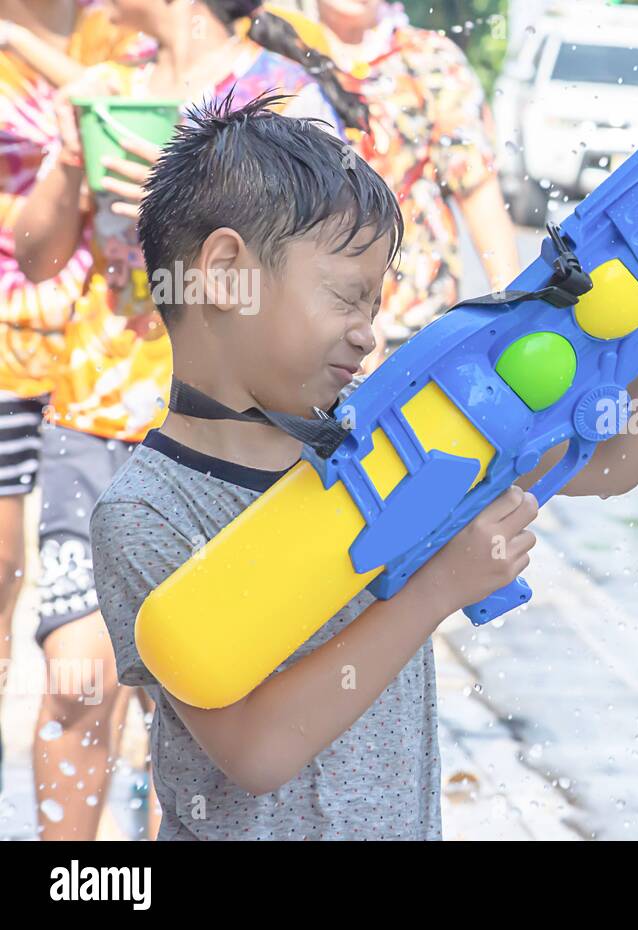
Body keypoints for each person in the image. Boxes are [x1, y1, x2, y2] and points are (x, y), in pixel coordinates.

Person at [89, 93, 638, 840]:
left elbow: (612, 462)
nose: (367, 335)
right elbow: (257, 752)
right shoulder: (149, 511)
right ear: (226, 272)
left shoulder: (380, 437)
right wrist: (437, 590)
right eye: (346, 299)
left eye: (376, 304)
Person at [12, 0, 362, 839]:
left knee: (206, 684)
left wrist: (190, 219)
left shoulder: (282, 99)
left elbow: (325, 267)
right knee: (75, 679)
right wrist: (67, 163)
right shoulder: (108, 84)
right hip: (94, 415)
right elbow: (33, 256)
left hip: (228, 431)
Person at [0, 0, 145, 804]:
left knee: (99, 616)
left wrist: (22, 41)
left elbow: (111, 98)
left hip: (93, 348)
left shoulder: (119, 33)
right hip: (4, 334)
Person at [314, 0, 520, 352]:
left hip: (410, 330)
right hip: (302, 331)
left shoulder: (431, 60)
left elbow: (480, 197)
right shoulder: (274, 58)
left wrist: (515, 315)